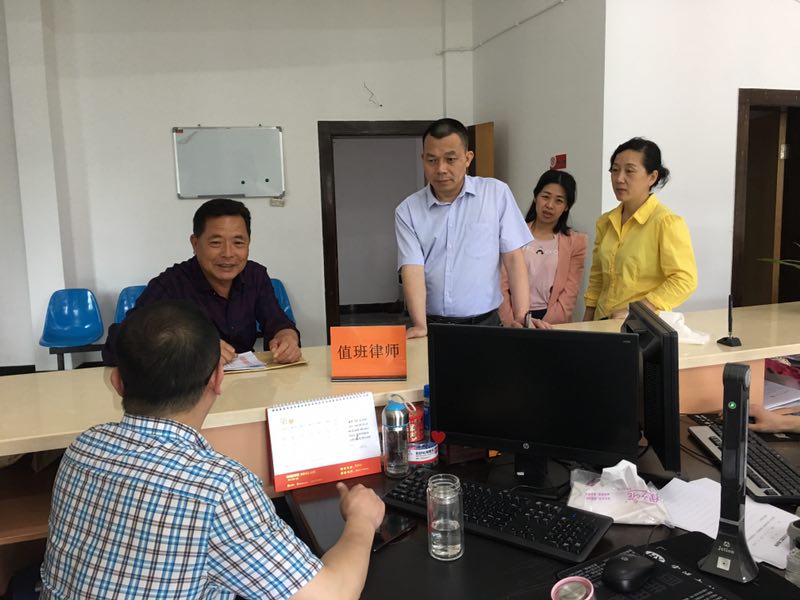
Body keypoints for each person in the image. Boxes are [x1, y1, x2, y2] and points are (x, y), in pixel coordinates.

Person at [42, 300, 385, 599]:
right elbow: (332, 594)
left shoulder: (82, 447)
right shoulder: (219, 488)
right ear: (217, 379)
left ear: (117, 382)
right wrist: (361, 519)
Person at [103, 198, 300, 365]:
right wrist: (191, 348)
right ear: (195, 243)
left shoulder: (255, 276)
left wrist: (286, 336)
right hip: (190, 390)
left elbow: (276, 321)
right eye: (216, 243)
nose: (228, 253)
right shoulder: (171, 284)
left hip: (244, 383)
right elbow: (117, 345)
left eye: (238, 243)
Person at [395, 118, 532, 338]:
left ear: (468, 158)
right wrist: (420, 324)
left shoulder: (496, 194)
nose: (441, 169)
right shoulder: (408, 210)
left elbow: (514, 259)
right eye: (432, 160)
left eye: (450, 159)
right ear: (423, 159)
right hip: (433, 326)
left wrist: (522, 316)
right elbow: (412, 268)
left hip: (485, 324)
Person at [583, 138, 697, 321]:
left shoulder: (666, 222)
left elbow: (684, 279)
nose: (619, 178)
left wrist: (639, 310)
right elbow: (597, 278)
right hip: (602, 323)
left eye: (629, 171)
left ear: (652, 177)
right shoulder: (605, 222)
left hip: (641, 326)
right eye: (615, 170)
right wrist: (587, 323)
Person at [498, 169, 587, 326]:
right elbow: (501, 285)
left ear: (567, 206)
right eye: (545, 197)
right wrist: (513, 322)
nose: (549, 205)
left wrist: (543, 327)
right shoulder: (513, 233)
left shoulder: (576, 242)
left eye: (559, 201)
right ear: (535, 196)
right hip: (513, 319)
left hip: (552, 322)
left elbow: (569, 294)